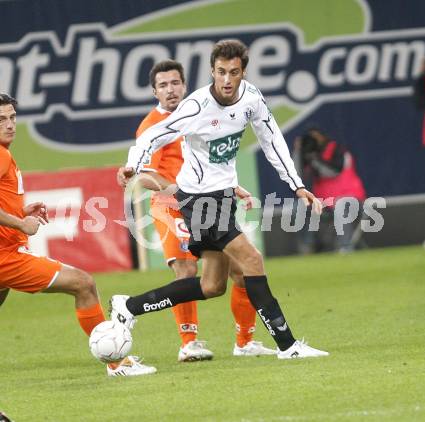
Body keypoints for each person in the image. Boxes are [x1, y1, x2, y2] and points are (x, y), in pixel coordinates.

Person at [112, 39, 329, 360]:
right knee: (252, 260)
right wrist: (134, 165)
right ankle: (288, 346)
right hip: (199, 200)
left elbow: (272, 140)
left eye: (234, 72)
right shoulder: (196, 106)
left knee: (212, 285)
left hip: (222, 196)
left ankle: (128, 307)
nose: (227, 80)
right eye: (221, 72)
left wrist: (296, 185)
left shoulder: (251, 99)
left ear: (243, 72)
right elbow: (152, 135)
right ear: (212, 71)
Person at [118, 60, 275, 360]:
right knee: (186, 268)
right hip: (171, 207)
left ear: (185, 85)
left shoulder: (200, 113)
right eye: (163, 85)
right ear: (154, 92)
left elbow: (211, 163)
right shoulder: (152, 125)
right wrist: (183, 192)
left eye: (175, 83)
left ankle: (244, 342)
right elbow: (146, 177)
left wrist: (230, 188)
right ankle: (188, 342)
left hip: (206, 204)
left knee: (242, 271)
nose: (170, 90)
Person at [0, 93, 155, 377]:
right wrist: (21, 225)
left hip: (6, 251)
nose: (9, 125)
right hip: (6, 256)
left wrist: (20, 211)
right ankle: (117, 362)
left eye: (12, 117)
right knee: (83, 283)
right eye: (1, 119)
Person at [293, 128, 366, 253]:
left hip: (351, 198)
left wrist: (314, 158)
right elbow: (296, 175)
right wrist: (298, 151)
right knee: (299, 207)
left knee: (341, 205)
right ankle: (308, 249)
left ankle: (345, 247)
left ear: (323, 137)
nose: (313, 142)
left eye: (315, 138)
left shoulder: (337, 150)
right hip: (325, 203)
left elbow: (333, 172)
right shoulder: (310, 154)